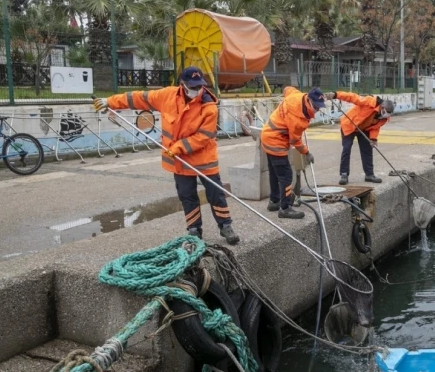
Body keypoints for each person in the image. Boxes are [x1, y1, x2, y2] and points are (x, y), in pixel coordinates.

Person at [93, 66, 239, 245]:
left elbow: (203, 137)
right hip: (179, 161)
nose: (197, 90)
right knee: (187, 195)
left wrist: (177, 147)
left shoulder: (208, 107)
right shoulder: (167, 96)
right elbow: (139, 98)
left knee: (216, 194)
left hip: (203, 159)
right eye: (192, 87)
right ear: (182, 84)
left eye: (199, 86)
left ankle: (226, 226)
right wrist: (110, 102)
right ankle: (194, 229)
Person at [261, 86, 327, 219]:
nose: (318, 109)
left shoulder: (296, 95)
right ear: (308, 101)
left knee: (274, 173)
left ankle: (274, 201)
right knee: (285, 176)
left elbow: (287, 89)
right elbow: (295, 140)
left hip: (267, 136)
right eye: (316, 106)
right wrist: (307, 152)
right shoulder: (298, 120)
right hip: (276, 142)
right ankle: (285, 208)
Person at [333, 91, 394, 185]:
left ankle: (369, 175)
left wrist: (373, 139)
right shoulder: (370, 101)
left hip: (364, 129)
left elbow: (375, 128)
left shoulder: (384, 118)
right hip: (350, 125)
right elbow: (352, 97)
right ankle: (344, 174)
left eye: (388, 114)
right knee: (347, 148)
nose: (386, 115)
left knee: (367, 150)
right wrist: (335, 95)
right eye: (385, 112)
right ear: (382, 107)